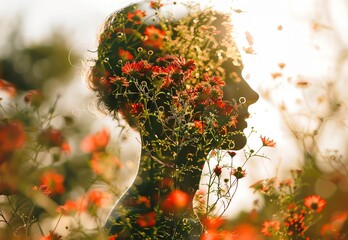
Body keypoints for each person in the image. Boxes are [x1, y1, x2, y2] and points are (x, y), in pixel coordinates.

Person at [88, 0, 258, 239]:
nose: (252, 95)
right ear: (169, 90)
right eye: (228, 75)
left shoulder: (168, 220)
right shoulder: (140, 228)